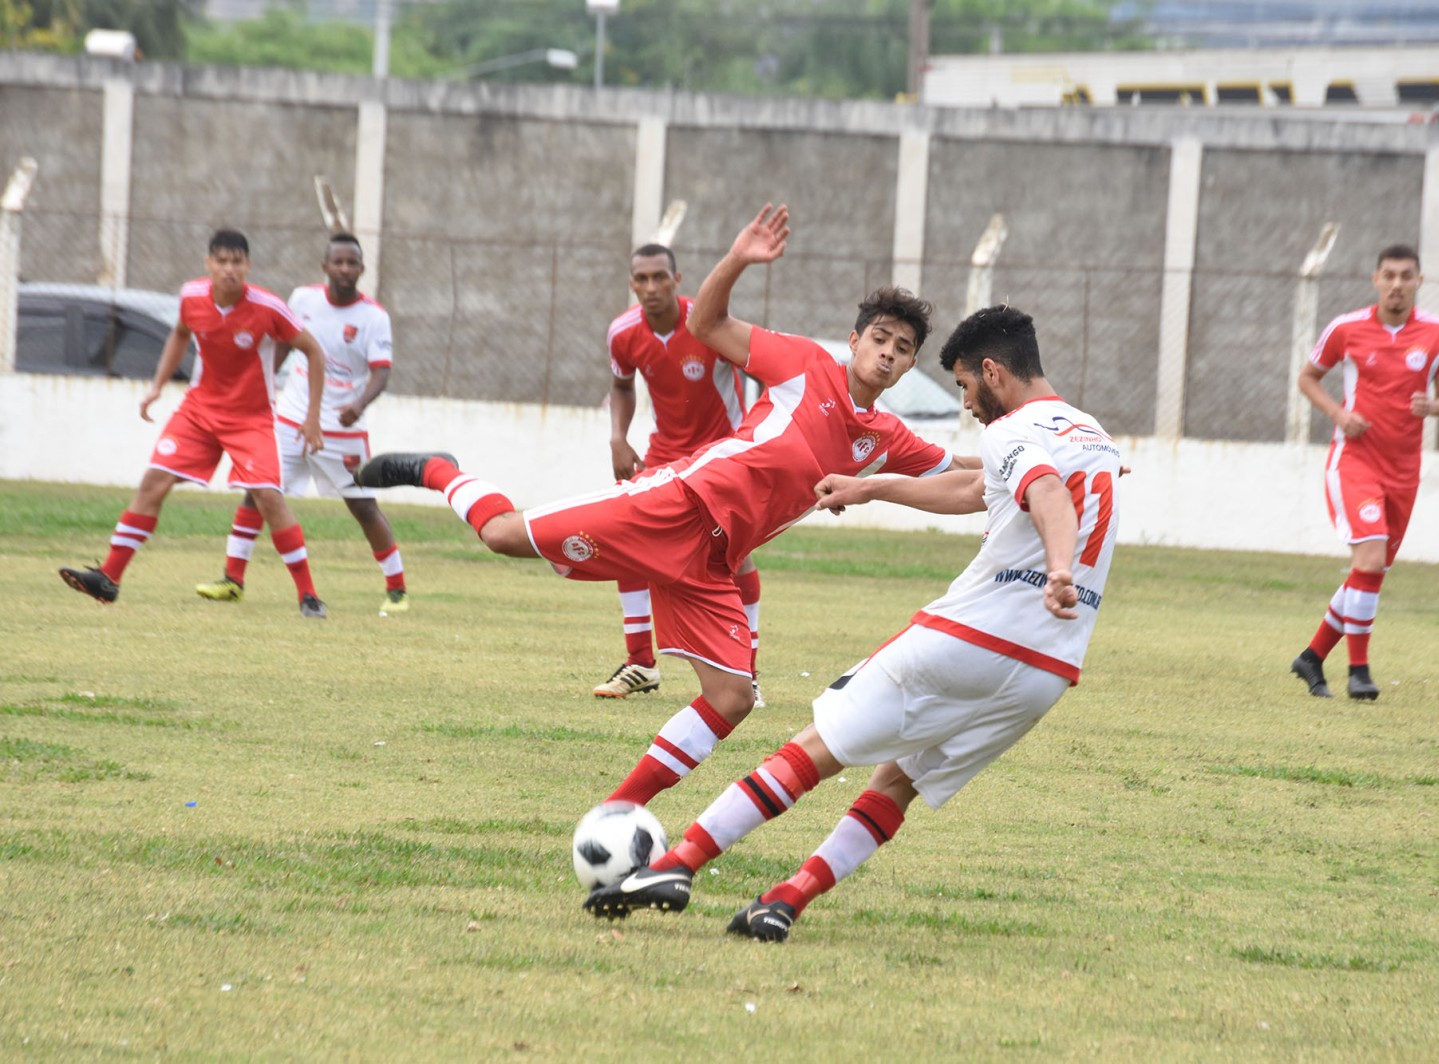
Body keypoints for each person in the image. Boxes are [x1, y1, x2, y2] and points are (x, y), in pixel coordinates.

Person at [354, 203, 975, 808]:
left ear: (911, 363)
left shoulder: (887, 439)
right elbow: (705, 326)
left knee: (732, 698)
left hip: (713, 562)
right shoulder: (804, 364)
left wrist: (1029, 462)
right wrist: (736, 259)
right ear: (854, 340)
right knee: (503, 536)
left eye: (902, 346)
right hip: (676, 503)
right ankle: (438, 470)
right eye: (879, 337)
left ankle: (617, 810)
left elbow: (962, 481)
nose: (888, 351)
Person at [583, 304, 1121, 941]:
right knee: (898, 782)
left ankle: (674, 867)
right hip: (1047, 671)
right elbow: (978, 493)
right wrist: (873, 488)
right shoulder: (1093, 436)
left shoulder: (1010, 432)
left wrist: (1058, 566)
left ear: (993, 372)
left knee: (815, 748)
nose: (968, 404)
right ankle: (785, 899)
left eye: (965, 387)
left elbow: (1046, 494)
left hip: (970, 639)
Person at [59, 229, 332, 618]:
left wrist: (312, 419)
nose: (229, 269)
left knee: (269, 496)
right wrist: (156, 387)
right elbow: (180, 334)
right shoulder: (191, 297)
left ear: (248, 266)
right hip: (199, 411)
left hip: (250, 417)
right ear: (208, 264)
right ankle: (109, 577)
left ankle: (308, 595)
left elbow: (314, 352)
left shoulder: (267, 307)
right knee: (154, 481)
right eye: (221, 261)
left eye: (237, 262)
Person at [194, 233, 410, 616]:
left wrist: (358, 405)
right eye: (338, 262)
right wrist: (259, 386)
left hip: (341, 428)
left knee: (362, 507)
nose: (345, 269)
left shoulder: (374, 317)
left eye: (352, 263)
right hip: (289, 419)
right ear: (325, 266)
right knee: (259, 491)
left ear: (361, 269)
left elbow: (381, 373)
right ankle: (233, 579)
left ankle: (396, 589)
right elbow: (281, 343)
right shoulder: (302, 299)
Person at [597, 243, 764, 703]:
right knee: (626, 539)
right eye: (641, 279)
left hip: (723, 456)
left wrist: (756, 441)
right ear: (632, 284)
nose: (651, 287)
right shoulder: (623, 333)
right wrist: (617, 436)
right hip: (665, 453)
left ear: (678, 280)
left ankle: (748, 671)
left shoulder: (707, 324)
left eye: (659, 278)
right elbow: (621, 384)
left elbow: (764, 371)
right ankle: (639, 664)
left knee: (735, 558)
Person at [1290, 244, 1439, 700]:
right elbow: (1308, 378)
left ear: (1419, 281)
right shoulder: (1347, 329)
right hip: (1355, 462)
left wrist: (1432, 406)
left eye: (1406, 276)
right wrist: (1340, 415)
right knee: (1368, 562)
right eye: (1389, 275)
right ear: (1375, 279)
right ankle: (1359, 673)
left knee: (1371, 572)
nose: (1397, 284)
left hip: (1404, 469)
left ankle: (1311, 657)